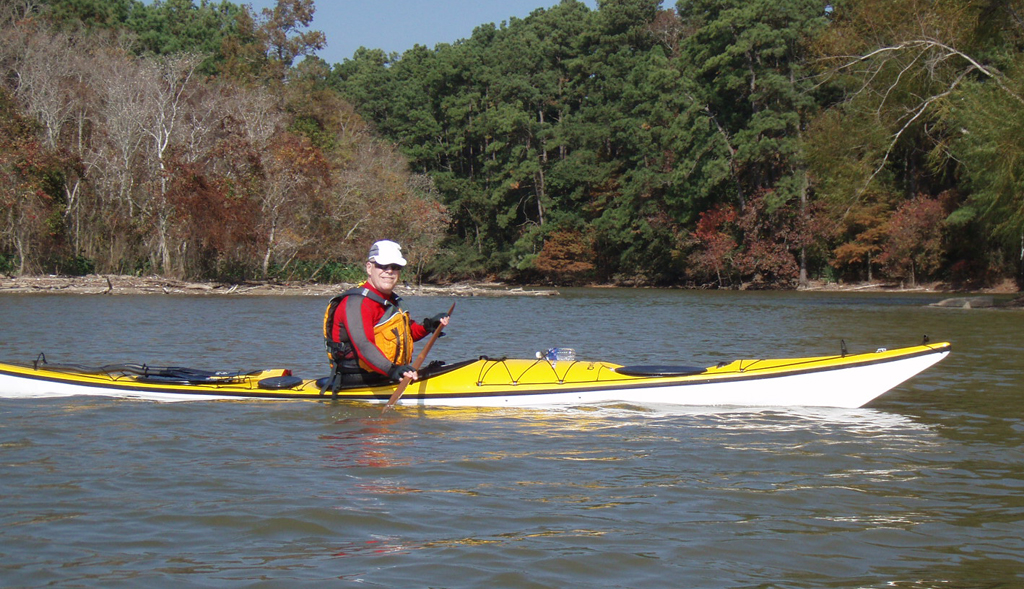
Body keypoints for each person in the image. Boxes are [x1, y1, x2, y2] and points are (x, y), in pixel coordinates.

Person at [321, 240, 449, 393]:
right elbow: (364, 345)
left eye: (395, 267)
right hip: (358, 381)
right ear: (369, 268)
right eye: (383, 266)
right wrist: (392, 370)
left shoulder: (391, 301)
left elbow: (407, 334)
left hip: (387, 375)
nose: (389, 271)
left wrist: (428, 326)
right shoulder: (356, 303)